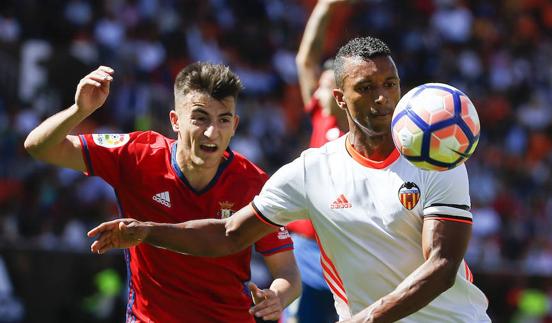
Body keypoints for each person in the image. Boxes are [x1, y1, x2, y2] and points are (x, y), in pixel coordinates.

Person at [87, 37, 491, 322]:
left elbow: (441, 264)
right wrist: (147, 231)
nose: (382, 97)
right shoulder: (312, 170)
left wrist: (369, 318)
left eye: (389, 84)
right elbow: (229, 235)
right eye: (365, 88)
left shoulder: (438, 159)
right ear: (339, 99)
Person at [24, 62, 301, 322]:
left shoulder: (254, 183)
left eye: (223, 120)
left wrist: (277, 296)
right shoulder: (136, 156)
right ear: (175, 120)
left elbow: (287, 272)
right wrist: (78, 111)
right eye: (200, 118)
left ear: (235, 126)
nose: (211, 132)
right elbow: (39, 147)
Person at [290, 0, 350, 322]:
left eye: (327, 86)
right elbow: (305, 59)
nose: (319, 91)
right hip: (307, 248)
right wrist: (325, 6)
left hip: (349, 254)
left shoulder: (372, 138)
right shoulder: (322, 121)